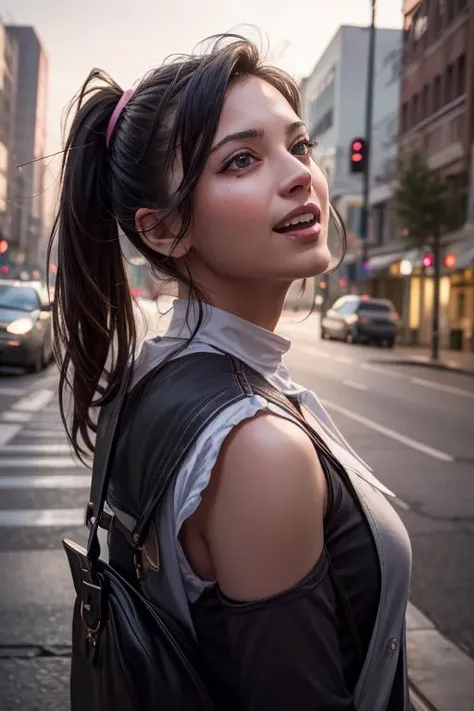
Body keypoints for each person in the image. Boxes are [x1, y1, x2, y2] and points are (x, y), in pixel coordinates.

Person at [49, 34, 412, 710]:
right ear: (164, 231)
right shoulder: (257, 449)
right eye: (241, 159)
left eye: (298, 146)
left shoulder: (151, 375)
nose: (301, 174)